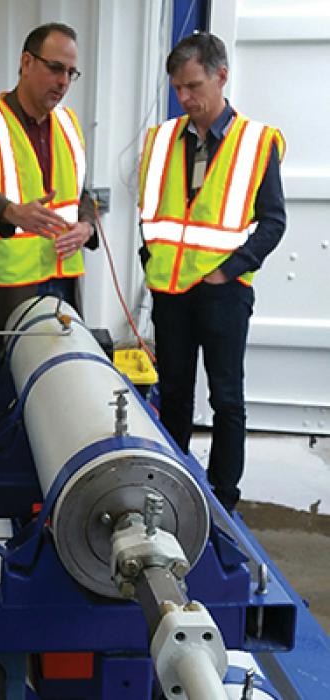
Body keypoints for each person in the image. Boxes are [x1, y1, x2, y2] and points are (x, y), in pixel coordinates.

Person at [138, 32, 286, 512]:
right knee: (175, 394)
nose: (184, 98)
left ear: (222, 76)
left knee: (227, 400)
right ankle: (173, 487)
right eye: (177, 88)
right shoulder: (161, 140)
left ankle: (223, 500)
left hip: (223, 294)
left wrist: (231, 270)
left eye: (193, 85)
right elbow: (152, 215)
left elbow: (274, 221)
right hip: (170, 293)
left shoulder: (255, 142)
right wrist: (151, 262)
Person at [0, 22, 98, 374]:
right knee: (4, 400)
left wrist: (87, 227)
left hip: (60, 287)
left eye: (70, 72)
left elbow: (82, 193)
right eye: (55, 68)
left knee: (55, 396)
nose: (63, 81)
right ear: (26, 63)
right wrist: (10, 212)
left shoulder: (68, 124)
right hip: (5, 294)